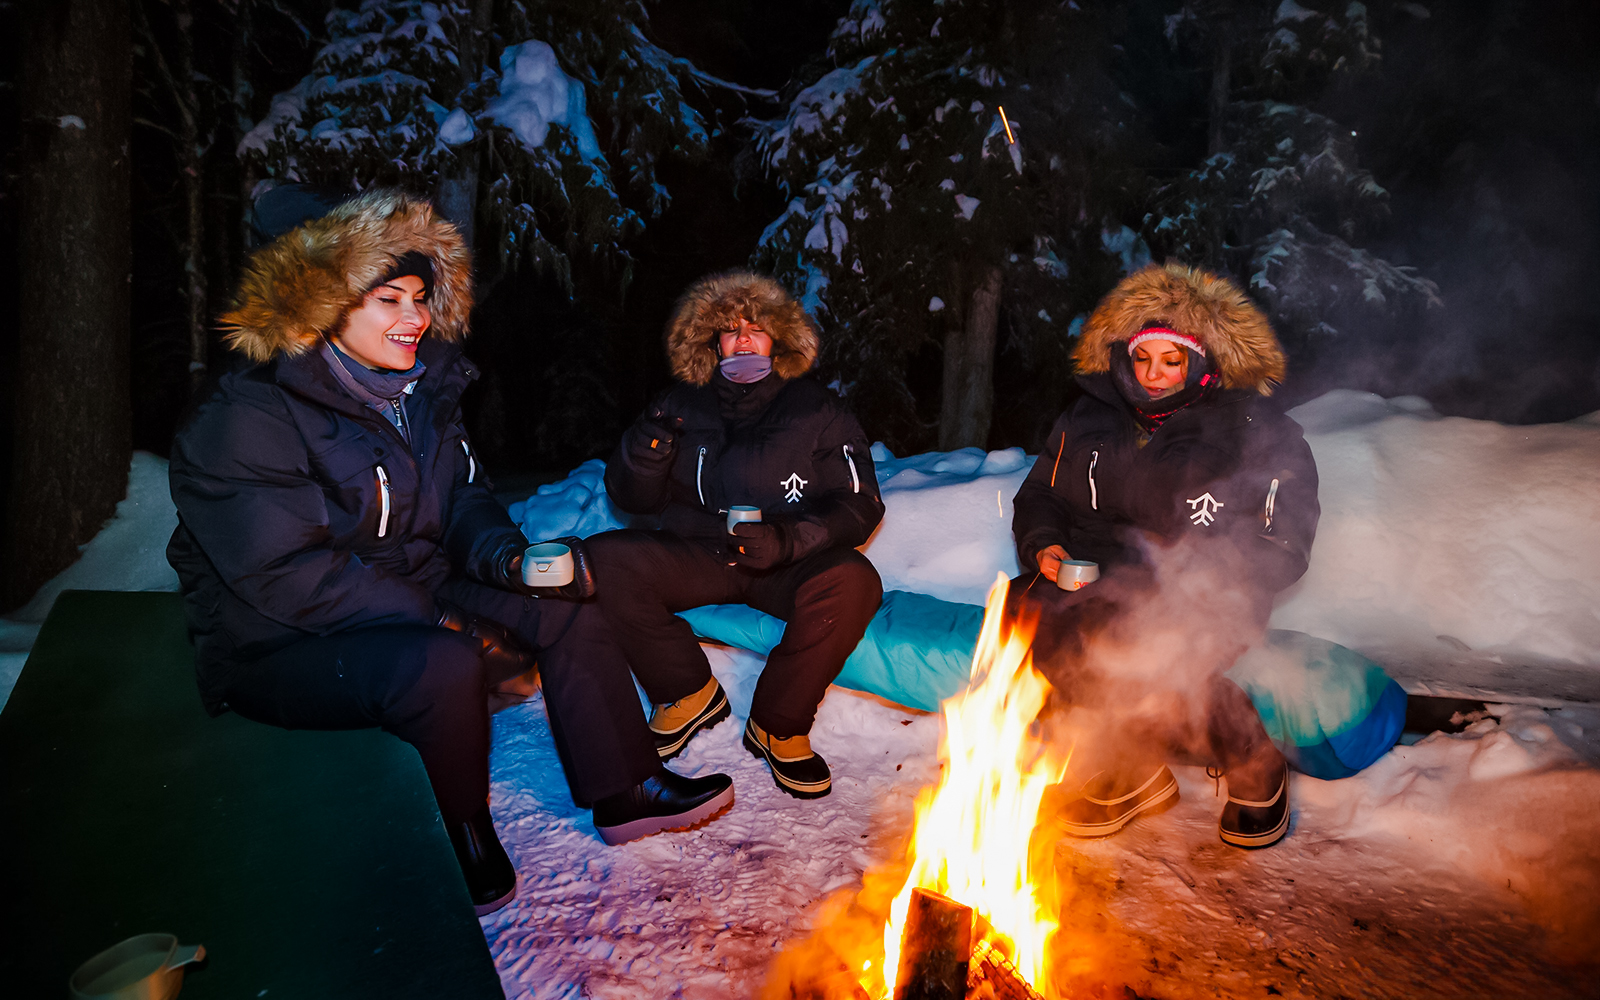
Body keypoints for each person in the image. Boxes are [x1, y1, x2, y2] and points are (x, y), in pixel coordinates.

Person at [165, 189, 735, 916]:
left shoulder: (421, 392)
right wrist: (440, 620)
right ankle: (455, 833)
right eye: (389, 299)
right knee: (441, 662)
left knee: (563, 604)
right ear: (321, 304)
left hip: (413, 586)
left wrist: (507, 560)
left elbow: (463, 498)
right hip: (279, 640)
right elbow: (284, 575)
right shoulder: (245, 415)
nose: (416, 318)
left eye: (420, 298)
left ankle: (626, 789)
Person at [1010, 262, 1319, 849]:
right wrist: (1043, 545)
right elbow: (1041, 495)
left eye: (1171, 361)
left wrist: (1225, 580)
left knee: (1155, 642)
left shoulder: (1250, 426)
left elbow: (1286, 528)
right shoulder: (1088, 416)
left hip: (1206, 586)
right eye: (1142, 359)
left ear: (1201, 362)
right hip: (1100, 578)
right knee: (1034, 615)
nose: (1153, 376)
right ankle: (1134, 769)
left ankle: (1254, 761)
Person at [590, 271, 886, 799]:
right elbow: (631, 501)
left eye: (756, 327)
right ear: (713, 342)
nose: (743, 337)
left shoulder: (817, 408)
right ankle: (686, 692)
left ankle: (778, 722)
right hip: (700, 552)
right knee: (603, 559)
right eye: (730, 329)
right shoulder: (679, 402)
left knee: (853, 580)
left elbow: (861, 502)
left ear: (778, 339)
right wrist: (643, 457)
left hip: (783, 559)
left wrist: (790, 540)